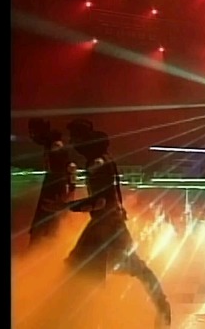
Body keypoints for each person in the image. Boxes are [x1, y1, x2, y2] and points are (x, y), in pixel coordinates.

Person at [63, 121, 172, 325]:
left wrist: (68, 206)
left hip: (104, 225)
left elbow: (101, 201)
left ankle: (87, 317)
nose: (72, 143)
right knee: (127, 268)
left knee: (84, 268)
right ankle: (161, 306)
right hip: (110, 222)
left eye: (75, 138)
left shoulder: (96, 163)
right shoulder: (103, 159)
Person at [26, 117, 77, 247]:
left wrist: (70, 189)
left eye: (34, 132)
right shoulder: (51, 145)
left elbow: (71, 167)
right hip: (53, 186)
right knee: (46, 224)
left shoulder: (55, 146)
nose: (32, 136)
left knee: (48, 224)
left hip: (55, 188)